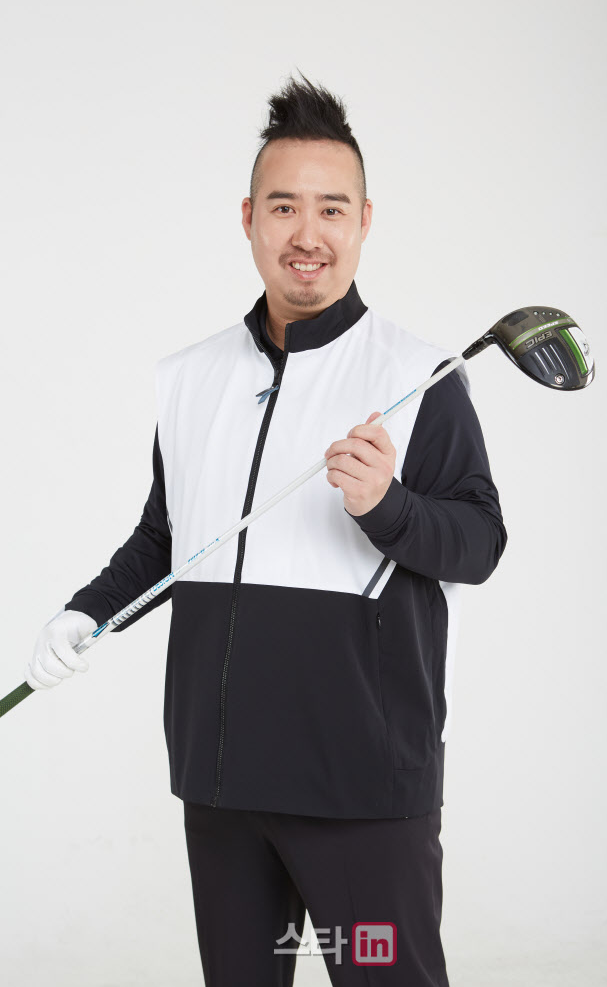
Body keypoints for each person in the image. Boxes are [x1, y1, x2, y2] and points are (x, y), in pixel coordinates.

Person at [26, 71, 508, 986]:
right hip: (222, 783)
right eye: (284, 206)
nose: (307, 233)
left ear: (365, 221)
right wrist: (85, 613)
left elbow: (480, 542)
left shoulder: (421, 378)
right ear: (248, 218)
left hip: (362, 790)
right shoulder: (191, 377)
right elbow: (167, 539)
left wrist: (390, 507)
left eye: (332, 208)